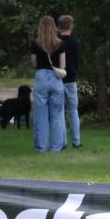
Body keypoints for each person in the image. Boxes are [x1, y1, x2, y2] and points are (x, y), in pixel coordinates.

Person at [30, 16, 66, 153]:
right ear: (54, 27)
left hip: (41, 78)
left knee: (41, 115)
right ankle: (56, 147)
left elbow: (34, 63)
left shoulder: (36, 44)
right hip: (56, 79)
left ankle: (41, 147)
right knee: (56, 115)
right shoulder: (60, 44)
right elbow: (63, 66)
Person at [57, 14, 82, 149]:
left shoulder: (56, 42)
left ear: (59, 27)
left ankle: (62, 142)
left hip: (58, 78)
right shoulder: (75, 41)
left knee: (60, 111)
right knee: (73, 110)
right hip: (71, 78)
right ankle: (76, 141)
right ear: (71, 26)